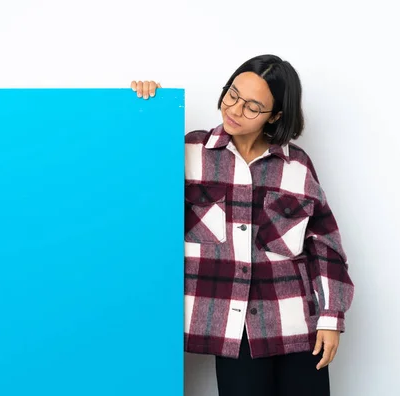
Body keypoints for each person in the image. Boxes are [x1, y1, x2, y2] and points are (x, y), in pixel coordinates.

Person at [131, 54, 354, 396]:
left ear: (276, 115)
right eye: (232, 94)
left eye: (252, 106)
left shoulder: (297, 166)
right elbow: (138, 192)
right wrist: (147, 111)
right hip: (234, 330)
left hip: (296, 323)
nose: (234, 109)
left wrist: (331, 317)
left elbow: (325, 246)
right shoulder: (190, 151)